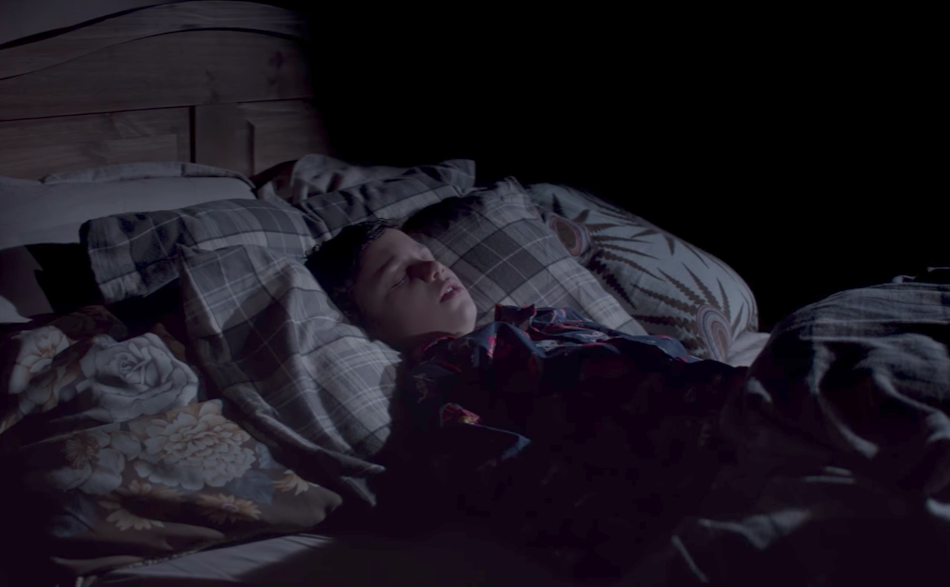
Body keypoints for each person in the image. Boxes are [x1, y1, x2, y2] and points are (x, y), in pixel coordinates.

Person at [307, 216, 746, 582]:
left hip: (736, 395)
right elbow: (511, 476)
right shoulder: (442, 378)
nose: (431, 269)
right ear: (367, 325)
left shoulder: (540, 319)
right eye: (400, 276)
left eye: (424, 256)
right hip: (704, 465)